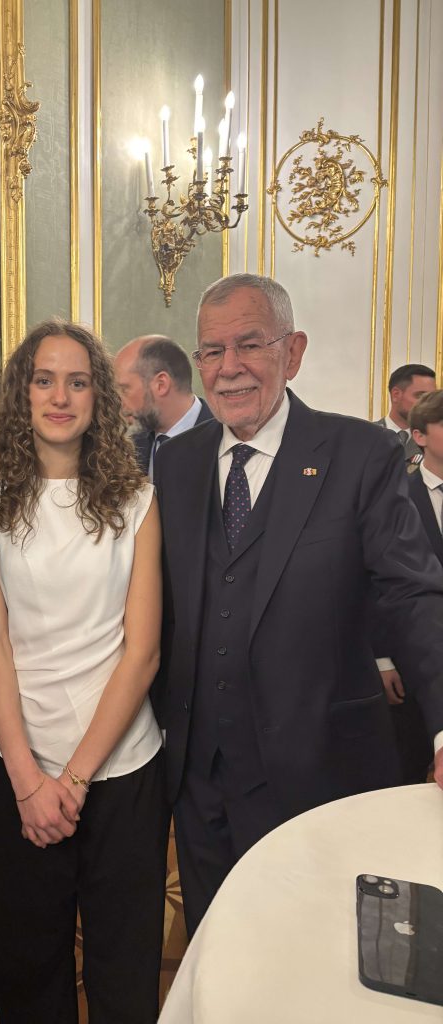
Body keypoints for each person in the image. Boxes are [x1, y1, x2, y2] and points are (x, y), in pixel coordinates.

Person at [154, 273, 443, 936]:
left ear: (293, 351)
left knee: (311, 950)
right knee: (215, 945)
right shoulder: (178, 462)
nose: (229, 368)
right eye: (212, 351)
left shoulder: (361, 453)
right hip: (200, 779)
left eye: (249, 344)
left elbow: (412, 593)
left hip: (321, 770)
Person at [0, 320, 169, 1024]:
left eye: (78, 382)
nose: (60, 397)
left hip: (121, 768)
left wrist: (75, 779)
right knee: (28, 963)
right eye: (45, 380)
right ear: (23, 393)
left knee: (125, 960)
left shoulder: (137, 500)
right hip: (21, 765)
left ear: (99, 398)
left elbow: (141, 652)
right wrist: (29, 780)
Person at [375, 389, 443, 783]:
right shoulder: (395, 496)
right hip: (408, 657)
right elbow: (373, 585)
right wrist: (381, 659)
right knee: (408, 765)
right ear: (419, 436)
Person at [114, 334, 213, 476]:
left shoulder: (225, 440)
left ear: (161, 384)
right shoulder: (128, 449)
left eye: (124, 389)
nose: (119, 402)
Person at [374, 363, 436, 466]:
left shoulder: (434, 442)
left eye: (431, 397)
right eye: (421, 396)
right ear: (396, 395)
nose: (428, 403)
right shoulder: (367, 435)